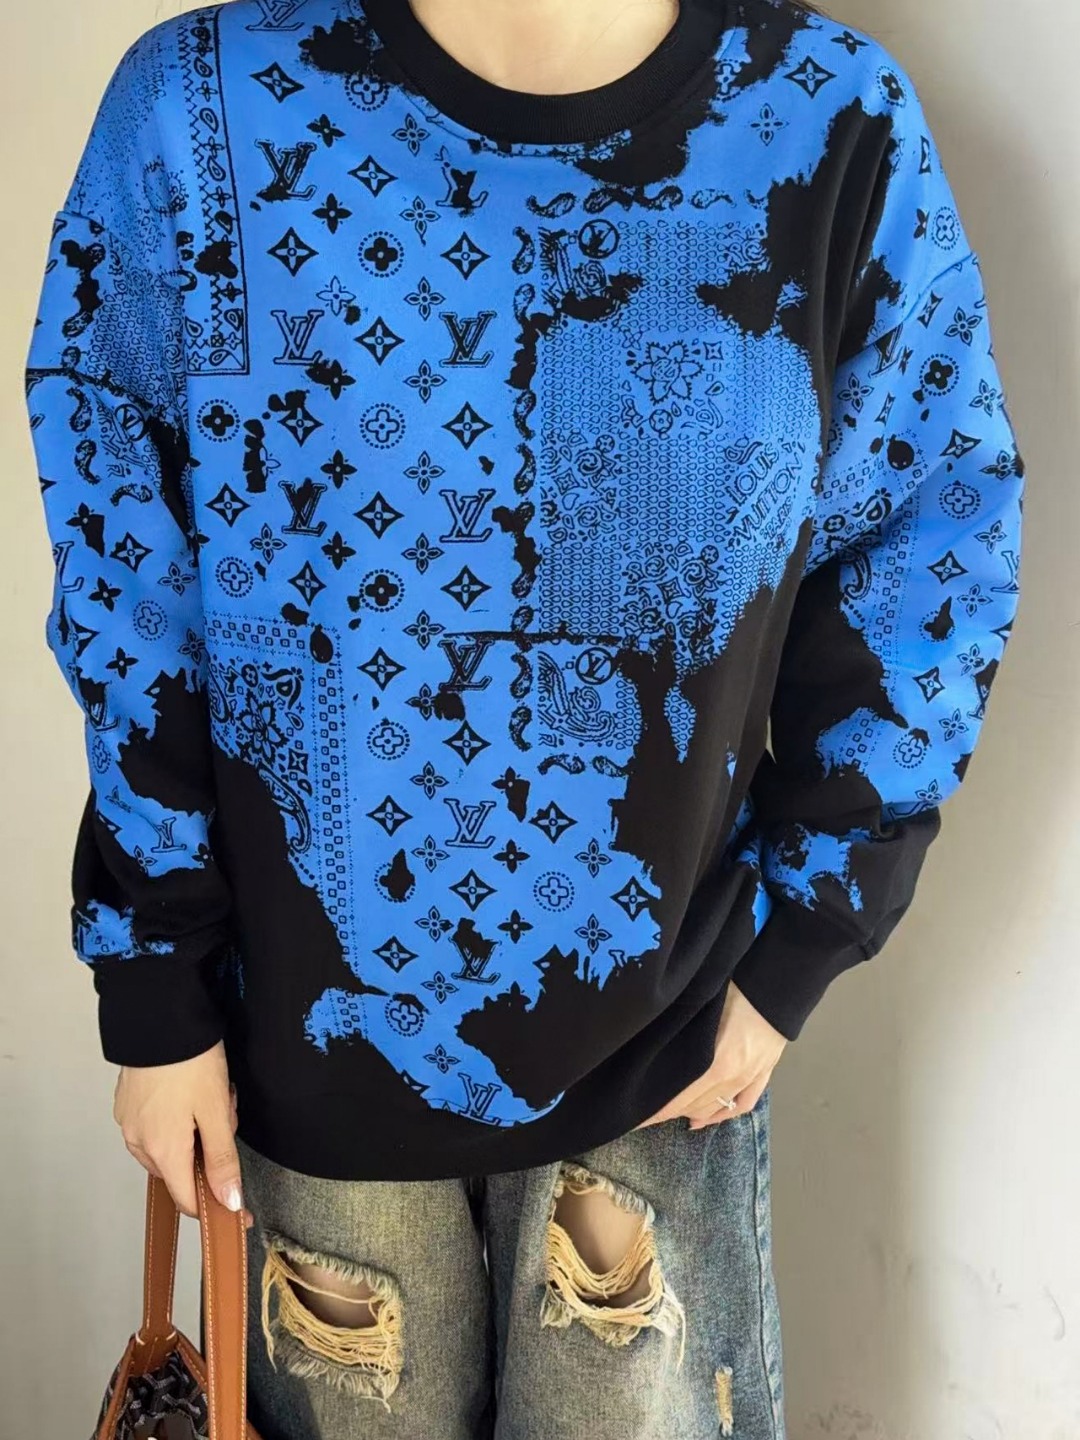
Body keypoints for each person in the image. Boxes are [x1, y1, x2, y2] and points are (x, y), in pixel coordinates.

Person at [23, 0, 1025, 1434]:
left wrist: (806, 935)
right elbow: (130, 581)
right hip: (304, 1065)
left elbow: (930, 537)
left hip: (667, 1064)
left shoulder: (826, 118)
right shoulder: (199, 109)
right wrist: (153, 987)